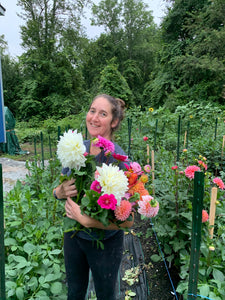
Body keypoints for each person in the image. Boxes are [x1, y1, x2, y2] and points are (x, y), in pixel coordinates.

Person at [53, 94, 134, 300]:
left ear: (114, 122)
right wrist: (58, 192)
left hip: (105, 243)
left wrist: (87, 220)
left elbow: (129, 221)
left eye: (103, 114)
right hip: (73, 237)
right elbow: (61, 187)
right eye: (92, 111)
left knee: (106, 295)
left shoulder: (119, 159)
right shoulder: (77, 149)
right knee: (75, 292)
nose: (94, 118)